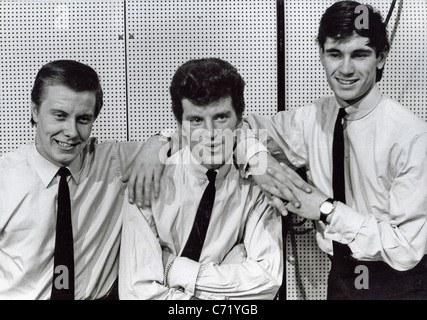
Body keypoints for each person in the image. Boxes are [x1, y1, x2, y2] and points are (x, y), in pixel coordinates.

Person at [243, 1, 427, 299]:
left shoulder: (412, 137)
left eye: (359, 54)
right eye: (335, 54)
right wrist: (256, 159)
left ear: (380, 58)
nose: (345, 69)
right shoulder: (311, 119)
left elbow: (406, 248)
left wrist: (327, 210)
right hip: (341, 278)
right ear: (322, 56)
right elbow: (228, 129)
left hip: (398, 284)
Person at [118, 58, 283, 300]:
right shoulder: (150, 178)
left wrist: (171, 269)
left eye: (221, 118)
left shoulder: (258, 180)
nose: (211, 134)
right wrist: (227, 276)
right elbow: (137, 292)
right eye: (196, 120)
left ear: (239, 120)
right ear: (180, 125)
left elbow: (266, 281)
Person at [0, 59, 147, 299]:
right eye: (59, 115)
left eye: (83, 119)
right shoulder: (4, 180)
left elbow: (197, 143)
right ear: (35, 111)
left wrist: (158, 141)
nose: (71, 132)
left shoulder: (113, 162)